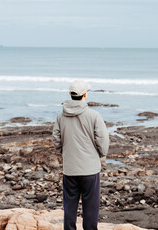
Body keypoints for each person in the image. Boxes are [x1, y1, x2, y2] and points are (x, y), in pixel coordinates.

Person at [52, 80, 110, 230]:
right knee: (90, 207)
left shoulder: (60, 116)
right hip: (90, 169)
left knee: (69, 206)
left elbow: (56, 140)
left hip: (70, 169)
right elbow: (103, 140)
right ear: (85, 95)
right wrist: (101, 154)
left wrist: (65, 152)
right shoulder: (94, 115)